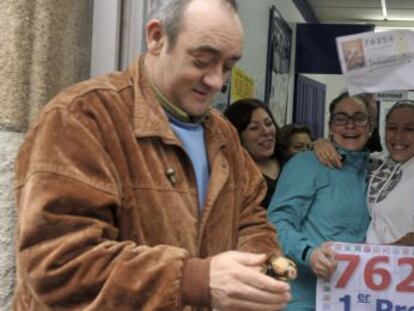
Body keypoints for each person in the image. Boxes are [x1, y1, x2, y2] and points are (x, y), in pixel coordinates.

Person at [12, 0, 293, 310]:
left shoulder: (223, 133)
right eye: (202, 60)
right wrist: (194, 281)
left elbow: (251, 216)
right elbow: (58, 265)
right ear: (157, 37)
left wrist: (259, 265)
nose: (217, 81)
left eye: (228, 66)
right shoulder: (81, 117)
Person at [267, 92, 373, 310]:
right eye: (341, 118)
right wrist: (308, 252)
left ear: (370, 126)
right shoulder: (306, 164)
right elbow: (276, 221)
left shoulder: (374, 169)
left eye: (359, 118)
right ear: (331, 125)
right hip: (305, 299)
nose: (350, 126)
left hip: (352, 298)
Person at [316, 100, 414, 245]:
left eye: (409, 129)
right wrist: (319, 143)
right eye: (392, 128)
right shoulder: (375, 161)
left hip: (400, 264)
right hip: (368, 264)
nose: (398, 136)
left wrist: (393, 252)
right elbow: (349, 157)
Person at [224, 98, 281, 209]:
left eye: (269, 123)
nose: (266, 132)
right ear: (237, 135)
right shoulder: (233, 177)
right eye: (254, 128)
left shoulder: (290, 162)